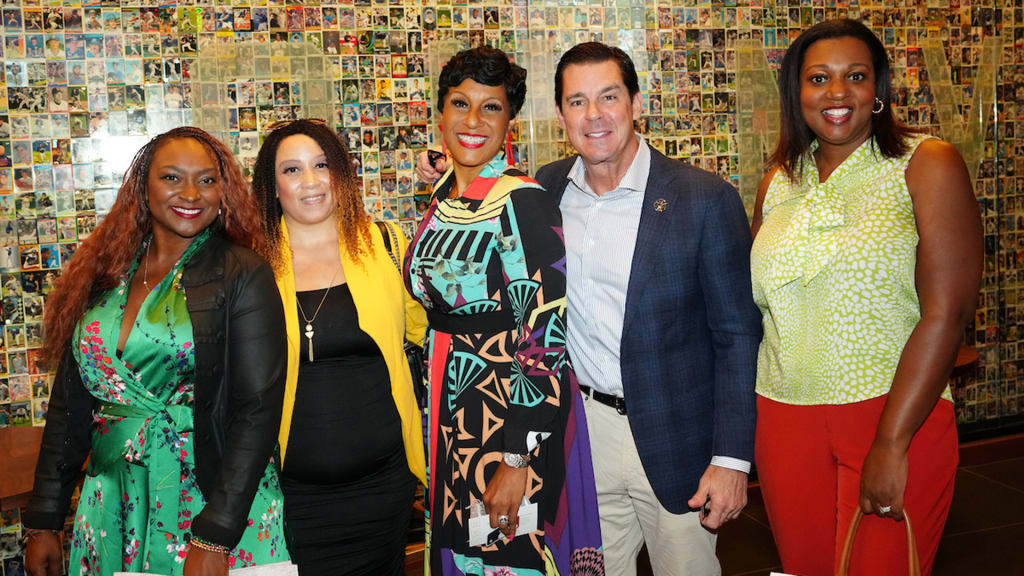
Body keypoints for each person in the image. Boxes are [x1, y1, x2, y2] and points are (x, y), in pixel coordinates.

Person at [418, 42, 760, 576]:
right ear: (560, 115)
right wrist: (442, 166)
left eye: (608, 97)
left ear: (636, 103)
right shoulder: (547, 188)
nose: (593, 114)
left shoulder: (702, 198)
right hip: (578, 435)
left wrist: (732, 459)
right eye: (577, 101)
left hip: (675, 440)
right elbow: (484, 202)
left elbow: (737, 336)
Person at [750, 20, 981, 576]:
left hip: (892, 412)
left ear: (878, 88)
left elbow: (946, 314)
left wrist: (891, 442)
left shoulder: (925, 163)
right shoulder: (778, 180)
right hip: (782, 419)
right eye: (818, 78)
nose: (837, 92)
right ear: (796, 93)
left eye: (855, 76)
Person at [23, 127, 291, 576]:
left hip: (210, 505)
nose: (191, 193)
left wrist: (215, 534)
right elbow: (70, 407)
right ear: (142, 188)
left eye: (207, 180)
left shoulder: (242, 272)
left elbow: (258, 410)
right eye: (172, 177)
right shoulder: (105, 273)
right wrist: (45, 520)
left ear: (222, 192)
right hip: (113, 502)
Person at [407, 46, 603, 575]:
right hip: (450, 411)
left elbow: (546, 337)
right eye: (460, 104)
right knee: (460, 547)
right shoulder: (447, 193)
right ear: (440, 113)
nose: (473, 120)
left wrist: (516, 460)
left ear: (509, 120)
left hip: (501, 418)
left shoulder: (523, 201)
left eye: (490, 107)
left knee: (500, 553)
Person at [251, 119, 426, 576]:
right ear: (272, 186)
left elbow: (425, 333)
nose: (310, 181)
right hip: (290, 498)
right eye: (292, 170)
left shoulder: (385, 245)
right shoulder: (250, 265)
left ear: (341, 175)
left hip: (384, 490)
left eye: (322, 165)